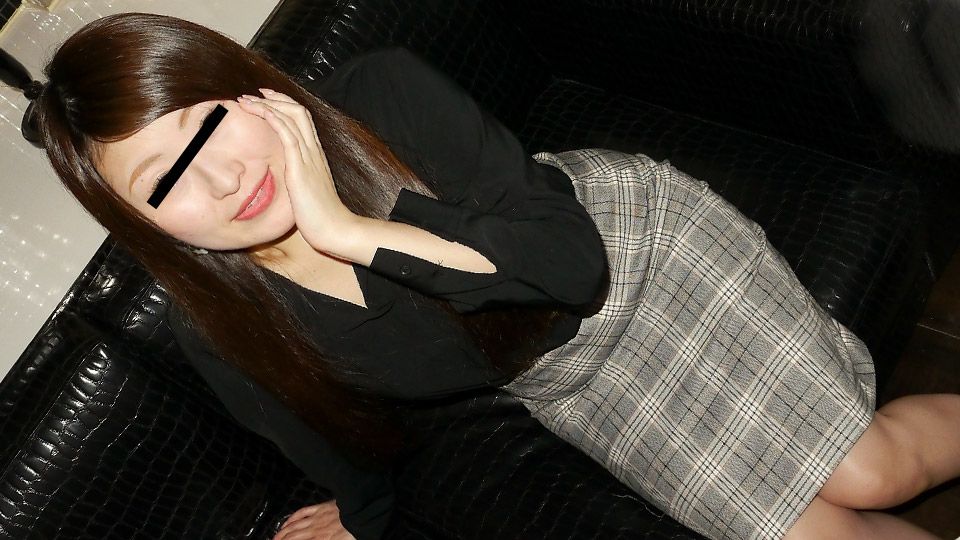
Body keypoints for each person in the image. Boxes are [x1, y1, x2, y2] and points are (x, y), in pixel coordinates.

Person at [26, 12, 960, 540]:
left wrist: (351, 231)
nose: (221, 178)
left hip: (629, 250)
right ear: (143, 224)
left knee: (870, 468)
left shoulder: (381, 92)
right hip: (561, 375)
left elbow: (568, 266)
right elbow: (343, 449)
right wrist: (358, 521)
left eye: (205, 124)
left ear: (246, 89)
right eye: (165, 183)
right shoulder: (226, 328)